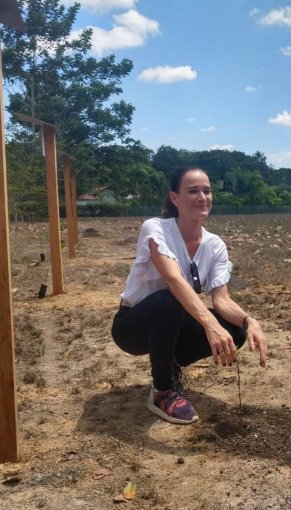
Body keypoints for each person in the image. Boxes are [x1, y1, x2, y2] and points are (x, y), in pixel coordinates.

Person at [111, 167, 268, 424]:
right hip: (133, 327)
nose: (202, 197)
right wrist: (209, 323)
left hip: (174, 323)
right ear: (175, 198)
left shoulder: (215, 245)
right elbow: (173, 280)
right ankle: (162, 391)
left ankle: (170, 363)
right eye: (193, 191)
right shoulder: (156, 228)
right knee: (169, 298)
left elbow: (222, 299)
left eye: (207, 191)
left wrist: (249, 320)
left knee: (235, 330)